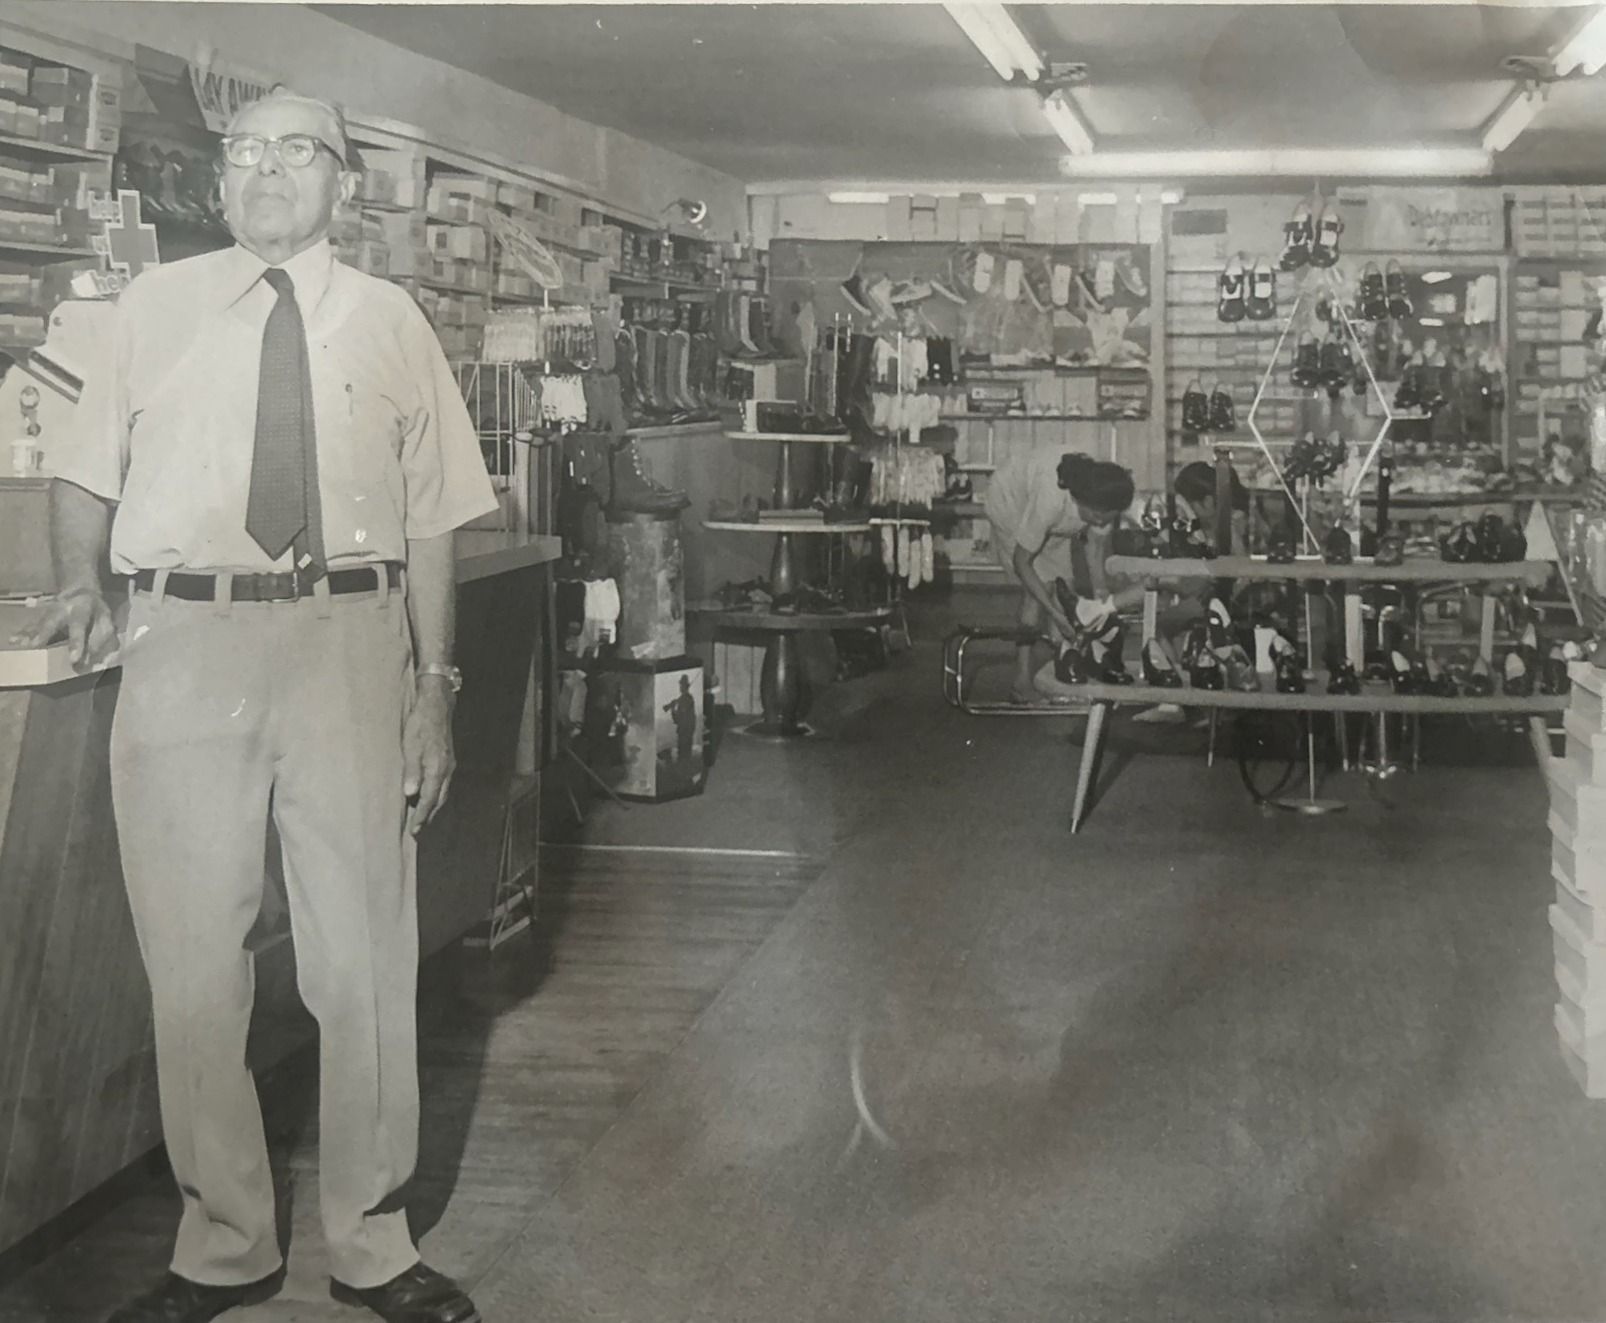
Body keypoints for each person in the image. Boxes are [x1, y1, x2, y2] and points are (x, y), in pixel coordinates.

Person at [14, 91, 495, 1323]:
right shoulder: (143, 309)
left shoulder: (393, 320)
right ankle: (221, 1243)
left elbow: (434, 517)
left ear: (344, 183)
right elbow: (80, 466)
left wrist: (431, 691)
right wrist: (80, 579)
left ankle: (374, 1246)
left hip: (349, 641)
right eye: (244, 153)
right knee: (192, 966)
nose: (267, 171)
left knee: (364, 963)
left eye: (297, 151)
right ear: (219, 183)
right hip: (186, 641)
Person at [983, 448, 1135, 703]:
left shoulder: (1104, 500)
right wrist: (1054, 615)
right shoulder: (1051, 502)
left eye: (1106, 519)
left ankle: (1063, 672)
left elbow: (1094, 550)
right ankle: (1021, 682)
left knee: (1066, 589)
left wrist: (1101, 601)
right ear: (1081, 502)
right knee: (1038, 589)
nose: (1100, 523)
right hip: (1011, 501)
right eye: (1097, 517)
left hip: (1051, 515)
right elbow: (1023, 562)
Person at [664, 673, 697, 764]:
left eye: (681, 685)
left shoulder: (688, 699)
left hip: (686, 732)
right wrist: (672, 709)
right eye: (680, 685)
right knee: (682, 756)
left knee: (685, 756)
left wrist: (674, 705)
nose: (680, 687)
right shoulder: (683, 699)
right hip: (682, 732)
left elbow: (683, 712)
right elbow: (677, 720)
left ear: (685, 687)